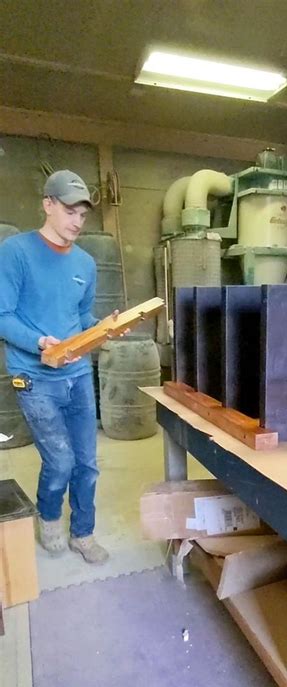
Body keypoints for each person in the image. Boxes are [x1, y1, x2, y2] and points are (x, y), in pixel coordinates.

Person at [0, 170, 110, 564]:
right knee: (60, 460)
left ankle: (83, 532)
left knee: (87, 462)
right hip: (33, 376)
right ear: (47, 204)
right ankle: (48, 518)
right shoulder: (15, 252)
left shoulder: (86, 262)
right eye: (69, 211)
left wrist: (100, 329)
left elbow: (81, 315)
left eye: (83, 214)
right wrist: (38, 342)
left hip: (77, 375)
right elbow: (2, 315)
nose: (77, 221)